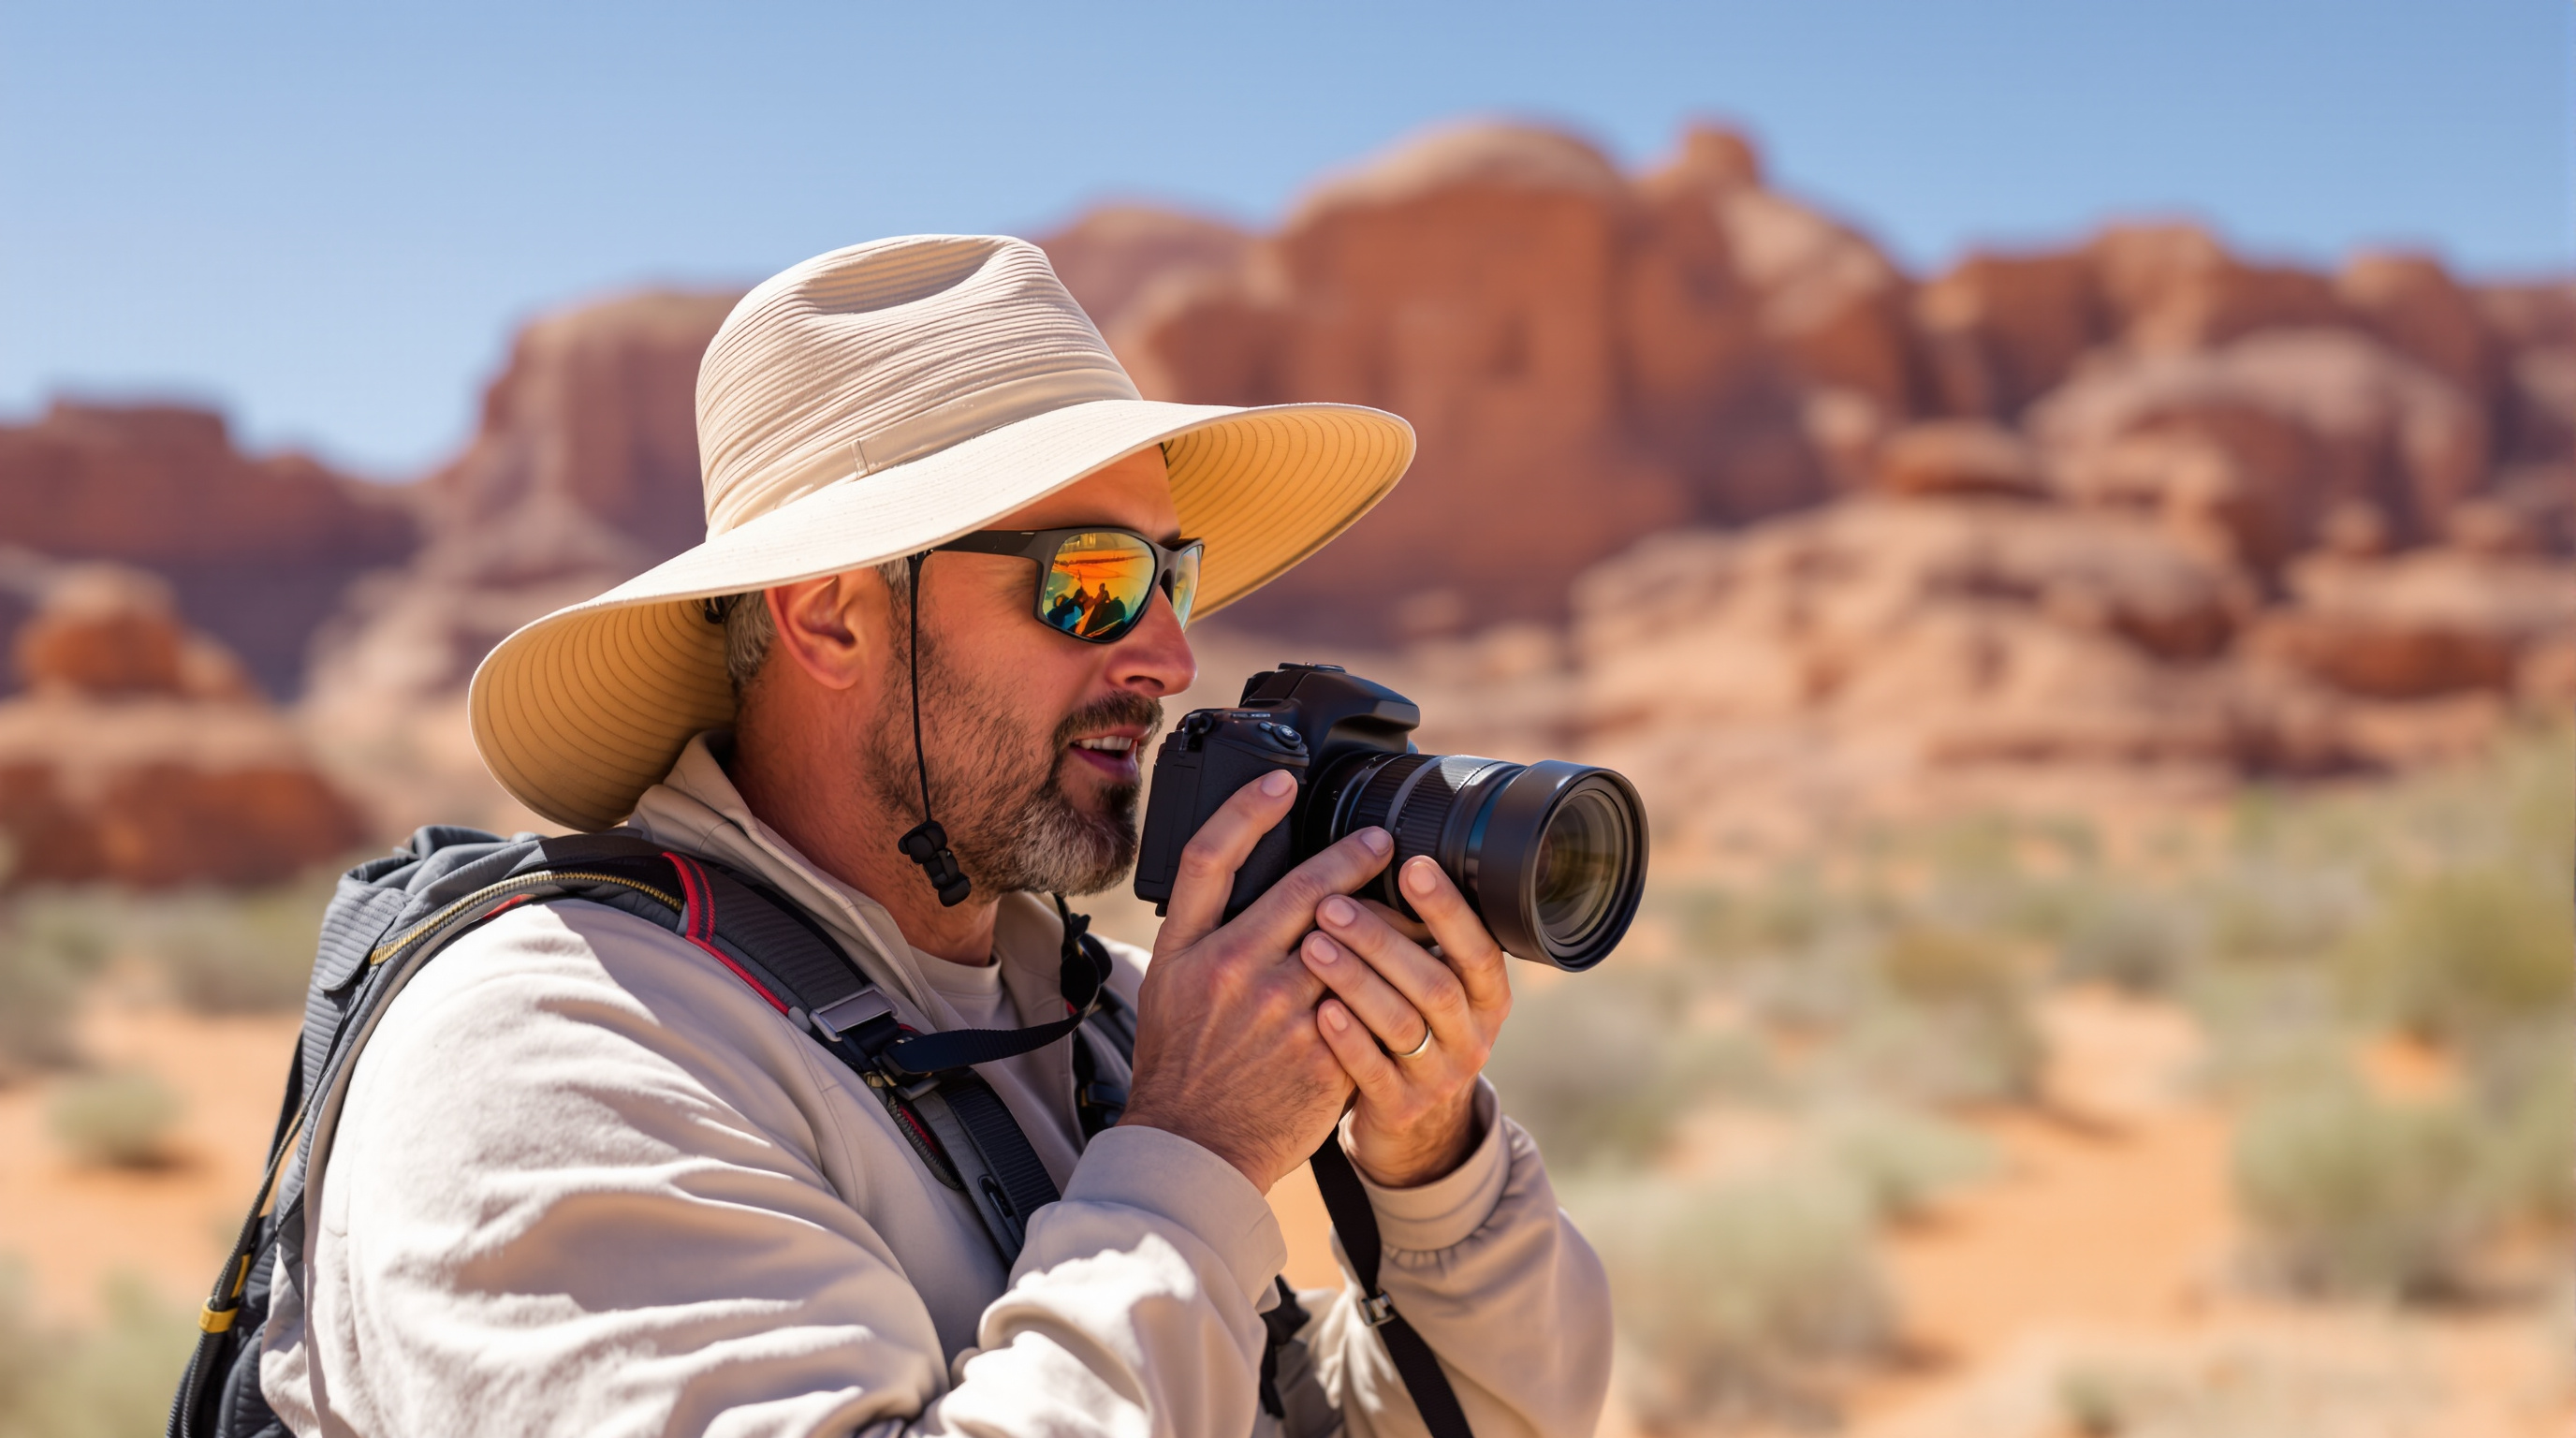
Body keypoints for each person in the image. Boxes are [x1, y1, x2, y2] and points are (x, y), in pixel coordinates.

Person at [257, 236, 1612, 1437]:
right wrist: (1191, 1154)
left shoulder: (1086, 1026)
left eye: (1173, 575)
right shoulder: (552, 1048)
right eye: (1092, 582)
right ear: (832, 617)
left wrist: (1430, 1162)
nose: (1170, 653)